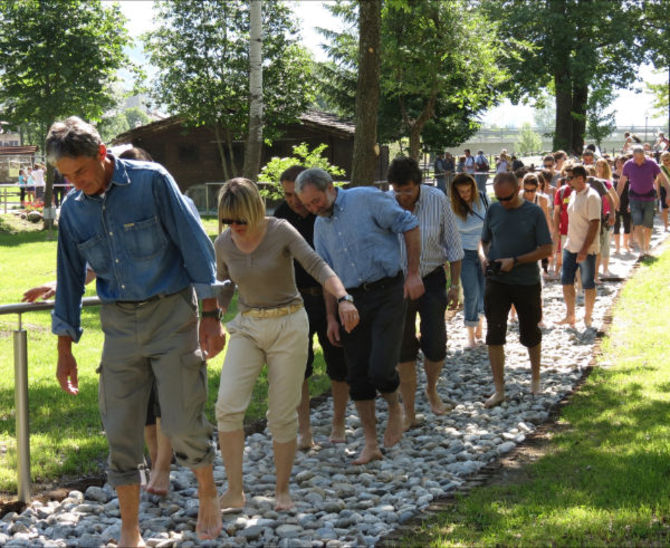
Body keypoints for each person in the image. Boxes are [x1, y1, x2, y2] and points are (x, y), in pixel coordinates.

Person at [47, 116, 224, 546]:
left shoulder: (152, 182)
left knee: (182, 422)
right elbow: (69, 280)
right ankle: (131, 529)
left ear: (101, 153)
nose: (76, 183)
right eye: (67, 176)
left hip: (172, 316)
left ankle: (208, 492)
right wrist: (65, 348)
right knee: (120, 431)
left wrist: (211, 314)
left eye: (81, 171)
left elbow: (195, 245)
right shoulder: (73, 210)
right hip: (119, 326)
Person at [214, 178, 357, 510]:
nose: (234, 226)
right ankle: (234, 491)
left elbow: (317, 265)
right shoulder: (223, 243)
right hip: (248, 325)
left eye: (240, 219)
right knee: (227, 407)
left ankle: (282, 490)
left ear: (255, 210)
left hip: (289, 323)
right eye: (227, 220)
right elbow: (223, 286)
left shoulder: (279, 230)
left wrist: (344, 298)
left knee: (282, 412)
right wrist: (211, 319)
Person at [295, 168, 424, 464]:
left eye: (316, 200)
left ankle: (395, 407)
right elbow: (326, 274)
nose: (314, 208)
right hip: (349, 300)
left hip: (387, 291)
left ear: (330, 188)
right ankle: (370, 443)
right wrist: (331, 317)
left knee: (381, 367)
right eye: (308, 205)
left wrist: (414, 273)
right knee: (357, 374)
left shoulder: (366, 199)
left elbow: (410, 224)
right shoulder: (320, 225)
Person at [273, 165, 349, 449]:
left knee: (339, 364)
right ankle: (304, 430)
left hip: (331, 294)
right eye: (287, 194)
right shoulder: (281, 216)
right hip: (297, 299)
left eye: (296, 194)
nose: (294, 200)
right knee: (299, 368)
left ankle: (339, 423)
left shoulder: (326, 212)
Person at [386, 157, 463, 429]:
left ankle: (431, 389)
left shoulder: (437, 199)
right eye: (397, 190)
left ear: (418, 184)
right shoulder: (385, 203)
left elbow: (453, 244)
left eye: (407, 190)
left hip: (431, 278)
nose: (402, 196)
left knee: (436, 343)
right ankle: (409, 411)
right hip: (397, 283)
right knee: (403, 348)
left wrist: (455, 285)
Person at [480, 172, 553, 408]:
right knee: (494, 333)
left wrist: (516, 261)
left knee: (530, 332)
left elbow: (546, 248)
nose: (503, 203)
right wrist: (484, 258)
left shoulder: (534, 212)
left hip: (526, 281)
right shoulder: (493, 210)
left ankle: (536, 379)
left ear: (517, 189)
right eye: (499, 198)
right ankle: (499, 389)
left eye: (507, 198)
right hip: (497, 281)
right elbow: (484, 241)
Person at [559, 164, 601, 329]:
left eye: (570, 178)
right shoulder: (573, 194)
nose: (567, 181)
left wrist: (584, 250)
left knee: (588, 283)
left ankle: (588, 316)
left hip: (587, 249)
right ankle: (570, 315)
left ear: (580, 178)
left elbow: (594, 224)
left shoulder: (592, 196)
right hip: (570, 246)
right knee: (566, 281)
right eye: (566, 178)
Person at [451, 173, 488, 348]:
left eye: (468, 190)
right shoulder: (452, 207)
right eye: (461, 191)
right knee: (471, 293)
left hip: (485, 252)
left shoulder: (483, 199)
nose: (465, 194)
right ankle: (471, 335)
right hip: (464, 254)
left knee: (484, 291)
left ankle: (480, 322)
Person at [617, 145, 669, 258]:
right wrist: (617, 198)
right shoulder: (628, 165)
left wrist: (668, 193)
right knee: (638, 223)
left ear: (644, 156)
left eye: (641, 158)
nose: (639, 161)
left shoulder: (651, 164)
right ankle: (642, 250)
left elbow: (663, 178)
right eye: (636, 159)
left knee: (648, 225)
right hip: (634, 198)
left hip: (649, 198)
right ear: (633, 157)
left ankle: (646, 247)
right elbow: (621, 183)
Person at [612, 155, 632, 253]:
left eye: (622, 163)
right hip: (615, 201)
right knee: (616, 224)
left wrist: (630, 203)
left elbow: (632, 190)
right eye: (618, 162)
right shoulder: (612, 175)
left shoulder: (630, 175)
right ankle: (617, 247)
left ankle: (625, 244)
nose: (620, 165)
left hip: (627, 201)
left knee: (627, 223)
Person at [658, 151, 670, 231]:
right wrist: (658, 193)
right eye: (664, 160)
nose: (666, 162)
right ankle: (666, 226)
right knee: (665, 208)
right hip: (664, 189)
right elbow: (658, 181)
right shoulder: (660, 168)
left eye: (668, 160)